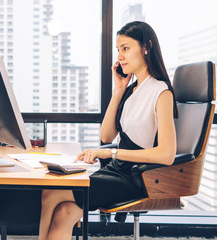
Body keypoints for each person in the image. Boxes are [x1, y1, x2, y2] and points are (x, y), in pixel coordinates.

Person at [38, 21, 178, 240]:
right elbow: (106, 136)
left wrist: (109, 153)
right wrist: (119, 90)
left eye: (126, 48)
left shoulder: (161, 92)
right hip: (116, 171)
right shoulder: (132, 90)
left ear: (146, 47)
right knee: (64, 213)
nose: (120, 56)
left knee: (53, 191)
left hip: (136, 178)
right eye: (118, 50)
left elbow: (167, 155)